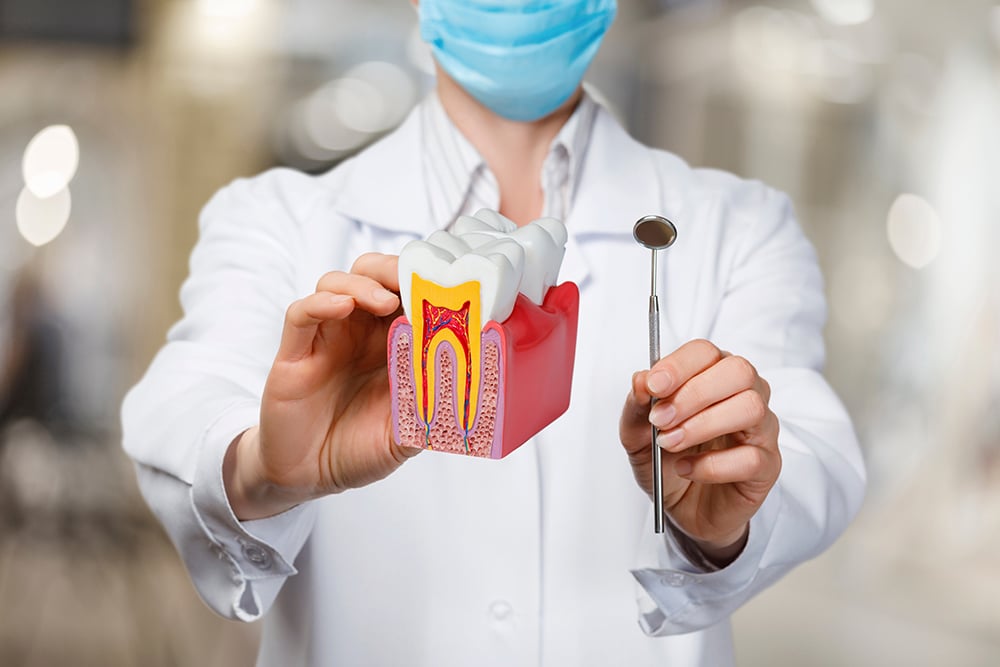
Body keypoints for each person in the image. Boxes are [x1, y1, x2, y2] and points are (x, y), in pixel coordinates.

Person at [122, 1, 866, 664]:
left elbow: (812, 455)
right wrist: (265, 467)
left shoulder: (738, 226)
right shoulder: (277, 220)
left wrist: (722, 523)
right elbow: (185, 407)